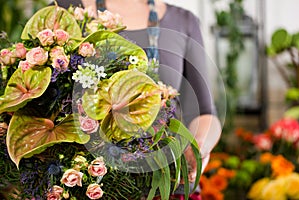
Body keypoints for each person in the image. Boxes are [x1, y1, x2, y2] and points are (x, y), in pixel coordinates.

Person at [52, 0, 222, 199]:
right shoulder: (69, 11)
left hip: (166, 187)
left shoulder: (183, 21)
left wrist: (198, 146)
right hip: (89, 186)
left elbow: (204, 112)